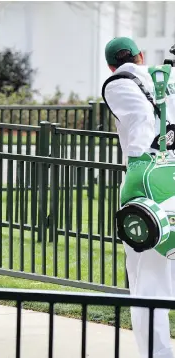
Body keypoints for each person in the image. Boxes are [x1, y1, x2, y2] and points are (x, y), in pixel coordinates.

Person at [102, 37, 175, 358]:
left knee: (148, 280)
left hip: (149, 191)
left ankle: (156, 354)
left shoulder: (116, 84)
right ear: (141, 56)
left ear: (110, 65)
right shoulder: (166, 79)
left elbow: (140, 124)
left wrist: (141, 159)